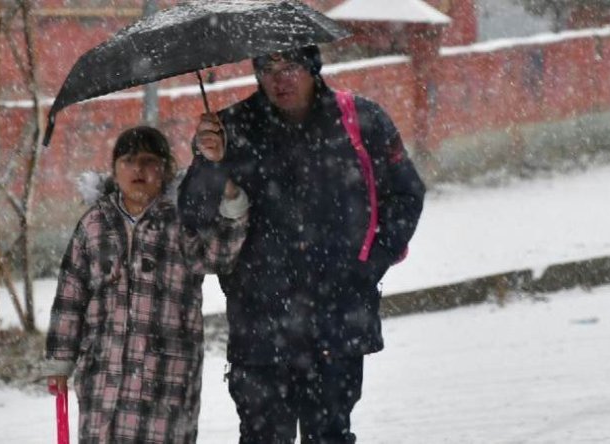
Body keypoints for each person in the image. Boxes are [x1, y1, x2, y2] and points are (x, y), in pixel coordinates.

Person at [179, 45, 426, 443]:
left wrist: (367, 264)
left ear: (312, 67)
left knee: (329, 433)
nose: (280, 78)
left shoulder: (361, 121)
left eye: (291, 65)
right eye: (268, 67)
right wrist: (208, 161)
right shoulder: (231, 129)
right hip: (259, 321)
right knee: (262, 436)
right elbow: (193, 213)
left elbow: (406, 194)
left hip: (337, 316)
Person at [43, 126, 249, 444]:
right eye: (127, 160)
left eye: (148, 160)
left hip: (167, 379)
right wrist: (60, 359)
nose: (137, 169)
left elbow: (220, 256)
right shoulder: (94, 224)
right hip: (104, 378)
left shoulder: (182, 222)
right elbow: (70, 295)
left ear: (165, 169)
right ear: (113, 169)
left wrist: (231, 193)